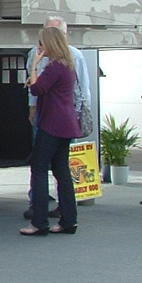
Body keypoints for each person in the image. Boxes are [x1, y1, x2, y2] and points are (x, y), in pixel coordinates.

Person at [25, 17, 90, 217]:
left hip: (53, 121)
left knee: (40, 166)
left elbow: (37, 88)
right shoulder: (66, 61)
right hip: (63, 120)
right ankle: (68, 218)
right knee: (61, 167)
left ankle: (39, 216)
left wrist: (35, 67)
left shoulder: (60, 63)